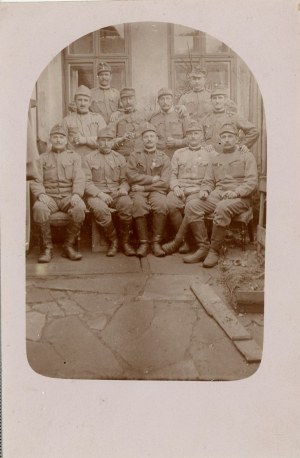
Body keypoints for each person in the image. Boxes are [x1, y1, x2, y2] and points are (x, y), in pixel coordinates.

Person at [182, 122, 258, 267]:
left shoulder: (246, 156)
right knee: (192, 206)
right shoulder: (216, 158)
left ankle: (214, 251)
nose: (227, 139)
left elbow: (252, 182)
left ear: (237, 138)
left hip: (240, 197)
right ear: (220, 140)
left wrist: (236, 192)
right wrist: (205, 190)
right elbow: (209, 180)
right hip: (218, 194)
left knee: (222, 207)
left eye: (230, 136)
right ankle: (203, 247)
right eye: (224, 137)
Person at [30, 124, 86, 263]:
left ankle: (68, 246)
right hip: (49, 197)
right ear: (50, 139)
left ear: (66, 140)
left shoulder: (75, 157)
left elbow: (79, 178)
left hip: (68, 196)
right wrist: (41, 194)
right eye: (55, 137)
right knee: (39, 208)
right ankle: (47, 248)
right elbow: (36, 179)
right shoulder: (42, 158)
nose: (58, 140)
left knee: (79, 208)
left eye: (61, 137)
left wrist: (77, 194)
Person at [162, 120, 217, 255]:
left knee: (190, 205)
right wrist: (175, 187)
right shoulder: (178, 153)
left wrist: (203, 190)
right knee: (170, 202)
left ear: (202, 136)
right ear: (186, 136)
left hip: (198, 189)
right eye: (190, 134)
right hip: (180, 188)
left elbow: (213, 178)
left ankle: (180, 241)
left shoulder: (211, 154)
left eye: (196, 133)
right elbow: (173, 174)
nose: (193, 136)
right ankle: (185, 242)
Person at [83, 126, 135, 257]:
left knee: (127, 203)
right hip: (96, 194)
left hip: (115, 193)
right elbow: (86, 182)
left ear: (113, 142)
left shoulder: (120, 158)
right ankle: (114, 241)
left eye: (109, 140)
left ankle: (125, 242)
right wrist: (100, 194)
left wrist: (123, 188)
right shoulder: (88, 158)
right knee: (101, 209)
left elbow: (125, 180)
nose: (106, 143)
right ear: (97, 141)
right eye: (102, 140)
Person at [126, 123, 171, 257]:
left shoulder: (164, 157)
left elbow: (164, 182)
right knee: (138, 205)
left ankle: (156, 242)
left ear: (157, 139)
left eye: (152, 136)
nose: (149, 139)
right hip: (138, 191)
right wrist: (151, 179)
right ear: (142, 139)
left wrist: (144, 186)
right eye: (146, 137)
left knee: (161, 205)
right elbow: (131, 175)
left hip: (156, 191)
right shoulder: (135, 156)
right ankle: (143, 242)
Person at [201, 84, 259, 152]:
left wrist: (241, 145)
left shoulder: (234, 117)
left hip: (229, 155)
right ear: (211, 100)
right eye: (214, 98)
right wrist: (205, 146)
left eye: (220, 98)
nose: (217, 101)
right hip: (211, 156)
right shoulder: (205, 119)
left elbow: (254, 131)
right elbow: (199, 138)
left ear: (225, 100)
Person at [62, 85, 106, 158]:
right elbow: (62, 142)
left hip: (95, 158)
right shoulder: (67, 120)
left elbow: (104, 140)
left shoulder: (98, 119)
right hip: (74, 159)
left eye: (85, 100)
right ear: (75, 102)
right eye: (79, 100)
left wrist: (85, 140)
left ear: (90, 103)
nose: (82, 103)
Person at [149, 87, 190, 159]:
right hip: (159, 158)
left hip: (178, 157)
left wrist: (177, 142)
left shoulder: (182, 115)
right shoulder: (153, 118)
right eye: (162, 99)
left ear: (172, 100)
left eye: (168, 98)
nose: (165, 102)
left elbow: (191, 138)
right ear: (158, 102)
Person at [111, 87, 148, 159]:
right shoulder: (116, 117)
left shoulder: (144, 115)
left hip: (141, 156)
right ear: (121, 102)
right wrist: (121, 139)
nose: (128, 102)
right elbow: (109, 142)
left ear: (135, 100)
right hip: (122, 157)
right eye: (124, 99)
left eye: (130, 99)